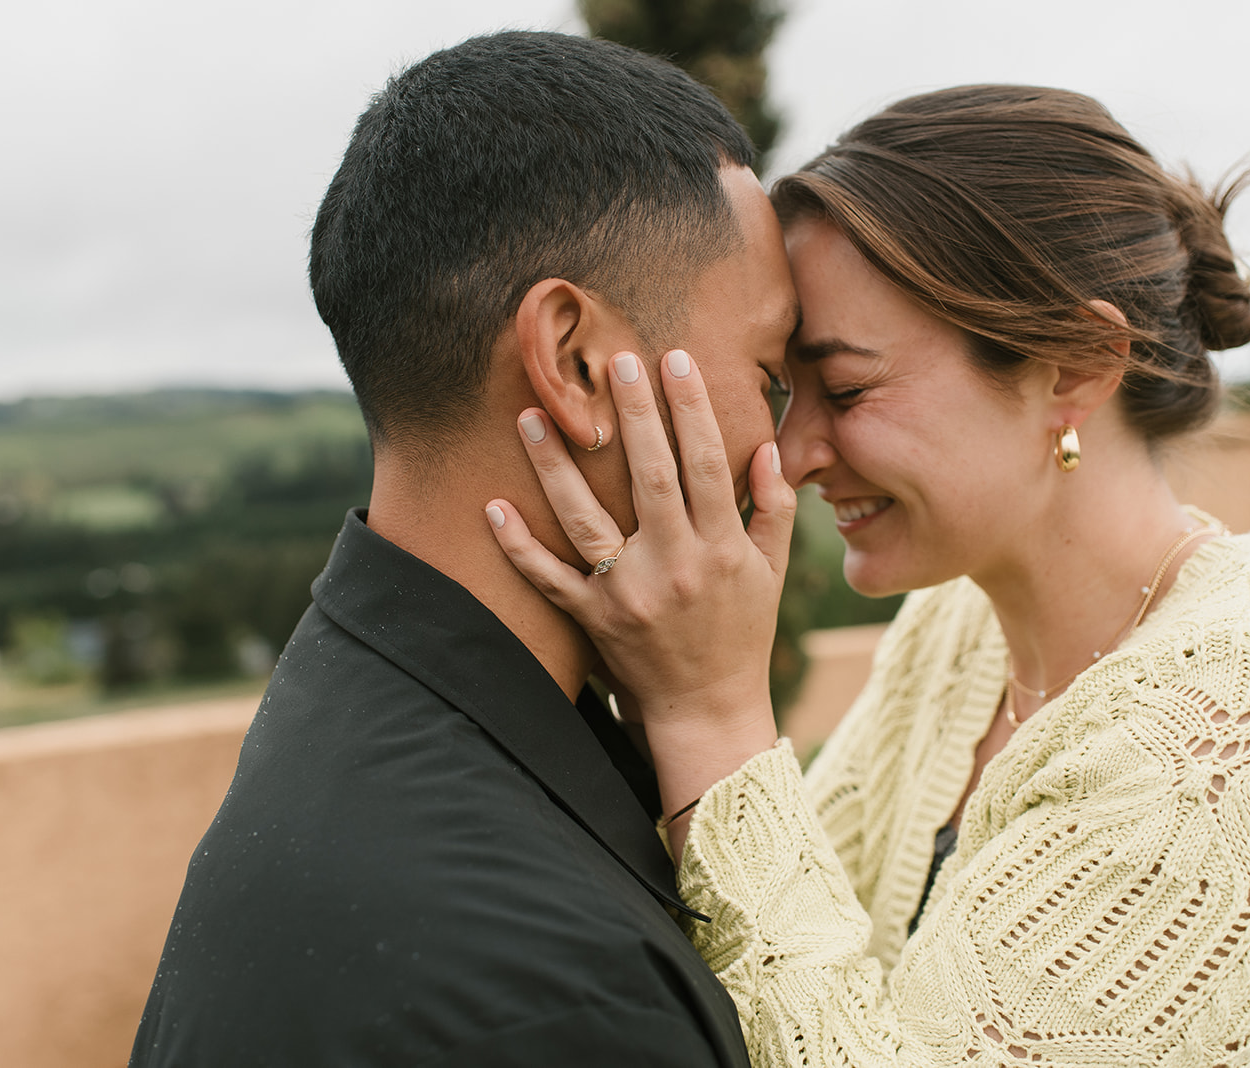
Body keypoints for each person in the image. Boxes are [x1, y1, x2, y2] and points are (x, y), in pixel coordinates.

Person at [488, 85, 1250, 1066]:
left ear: (1076, 366)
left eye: (848, 388)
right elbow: (783, 955)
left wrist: (710, 714)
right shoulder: (958, 629)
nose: (786, 456)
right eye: (785, 388)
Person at [129, 30, 800, 1066]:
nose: (790, 453)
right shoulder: (549, 989)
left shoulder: (367, 701)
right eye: (769, 376)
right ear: (574, 363)